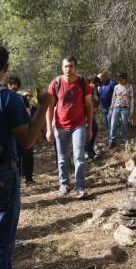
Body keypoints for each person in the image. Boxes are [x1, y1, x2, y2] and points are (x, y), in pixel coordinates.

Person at [0, 45, 50, 269]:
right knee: (0, 249)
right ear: (5, 69)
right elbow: (27, 141)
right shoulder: (7, 98)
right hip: (2, 179)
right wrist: (44, 105)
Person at [46, 55, 93, 199]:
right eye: (66, 66)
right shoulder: (56, 83)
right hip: (60, 126)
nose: (68, 69)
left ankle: (80, 187)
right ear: (62, 67)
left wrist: (89, 127)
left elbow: (89, 105)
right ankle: (64, 184)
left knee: (79, 156)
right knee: (62, 158)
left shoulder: (82, 82)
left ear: (76, 67)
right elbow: (49, 107)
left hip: (78, 125)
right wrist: (49, 128)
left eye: (71, 66)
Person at [3, 76, 35, 184]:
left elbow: (28, 114)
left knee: (28, 154)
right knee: (15, 156)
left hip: (24, 129)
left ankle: (29, 178)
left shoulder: (22, 98)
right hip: (10, 133)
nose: (13, 86)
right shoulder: (4, 97)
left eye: (15, 84)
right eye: (11, 84)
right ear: (7, 84)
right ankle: (18, 178)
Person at [109, 72, 134, 148]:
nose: (119, 80)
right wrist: (111, 108)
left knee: (124, 124)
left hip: (125, 108)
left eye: (121, 79)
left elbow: (132, 99)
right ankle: (112, 140)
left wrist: (132, 111)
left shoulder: (129, 87)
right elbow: (113, 97)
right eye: (118, 79)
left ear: (125, 79)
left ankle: (124, 140)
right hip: (116, 107)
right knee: (113, 124)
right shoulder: (116, 87)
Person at [96, 71, 116, 139]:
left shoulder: (111, 82)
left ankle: (112, 136)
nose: (99, 79)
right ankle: (109, 134)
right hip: (104, 105)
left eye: (100, 78)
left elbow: (118, 92)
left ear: (104, 77)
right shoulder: (99, 85)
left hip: (112, 105)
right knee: (105, 121)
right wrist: (97, 104)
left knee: (109, 119)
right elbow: (98, 95)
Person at [85, 77, 100, 160]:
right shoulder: (86, 89)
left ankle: (89, 150)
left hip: (89, 113)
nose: (96, 87)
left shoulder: (92, 90)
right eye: (95, 85)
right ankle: (88, 151)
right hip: (84, 115)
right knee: (91, 130)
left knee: (94, 129)